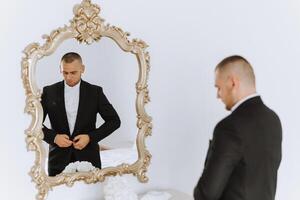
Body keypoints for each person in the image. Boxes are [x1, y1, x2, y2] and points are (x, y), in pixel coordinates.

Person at [194, 55, 282, 200]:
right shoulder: (273, 120)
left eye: (219, 87)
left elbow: (206, 194)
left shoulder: (228, 127)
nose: (218, 95)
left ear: (232, 83)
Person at [41, 52, 121, 176]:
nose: (69, 77)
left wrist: (90, 137)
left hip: (89, 158)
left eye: (73, 73)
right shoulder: (48, 92)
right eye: (65, 73)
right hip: (57, 160)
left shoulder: (95, 92)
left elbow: (114, 121)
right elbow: (34, 123)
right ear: (60, 70)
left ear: (82, 69)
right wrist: (54, 138)